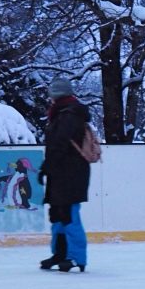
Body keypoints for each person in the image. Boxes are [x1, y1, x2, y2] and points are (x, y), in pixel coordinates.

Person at [37, 77, 92, 273]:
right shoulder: (61, 113)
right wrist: (47, 167)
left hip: (71, 173)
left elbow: (59, 145)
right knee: (57, 215)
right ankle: (60, 253)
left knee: (69, 215)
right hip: (60, 172)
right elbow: (55, 146)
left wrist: (47, 166)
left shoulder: (69, 115)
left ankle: (76, 257)